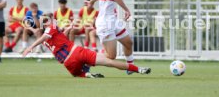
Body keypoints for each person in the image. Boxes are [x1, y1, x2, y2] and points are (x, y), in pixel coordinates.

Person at [22, 13, 151, 78]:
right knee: (109, 62)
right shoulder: (50, 29)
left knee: (76, 74)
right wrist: (30, 47)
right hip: (77, 52)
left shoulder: (49, 33)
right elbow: (46, 35)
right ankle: (138, 69)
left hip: (69, 63)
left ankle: (87, 74)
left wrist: (67, 29)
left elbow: (55, 37)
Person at [88, 0, 135, 74]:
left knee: (128, 43)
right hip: (105, 24)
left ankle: (130, 67)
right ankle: (86, 59)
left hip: (113, 22)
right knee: (111, 56)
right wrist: (126, 10)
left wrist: (91, 2)